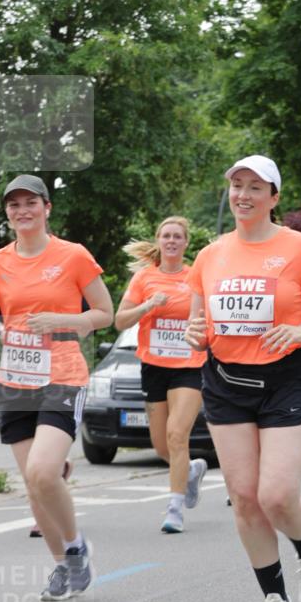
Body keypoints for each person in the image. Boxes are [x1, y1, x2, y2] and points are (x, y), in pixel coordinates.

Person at [185, 154, 301, 602]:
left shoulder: (300, 248)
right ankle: (276, 601)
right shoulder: (210, 255)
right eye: (237, 185)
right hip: (226, 382)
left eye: (256, 187)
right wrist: (195, 333)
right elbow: (198, 322)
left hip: (285, 379)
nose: (244, 195)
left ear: (274, 197)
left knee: (276, 495)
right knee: (244, 498)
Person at [0, 175, 114, 599]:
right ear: (7, 214)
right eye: (14, 205)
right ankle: (65, 564)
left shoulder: (73, 256)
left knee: (43, 472)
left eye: (30, 202)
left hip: (63, 375)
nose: (22, 210)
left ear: (47, 208)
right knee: (34, 486)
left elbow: (105, 312)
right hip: (16, 380)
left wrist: (64, 320)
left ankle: (75, 546)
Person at [115, 217, 208, 533]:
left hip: (189, 366)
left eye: (177, 236)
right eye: (166, 235)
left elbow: (208, 317)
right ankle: (190, 471)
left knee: (177, 434)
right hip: (154, 367)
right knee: (161, 446)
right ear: (158, 240)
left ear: (185, 242)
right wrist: (147, 306)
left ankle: (175, 509)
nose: (171, 241)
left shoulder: (196, 276)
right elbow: (120, 321)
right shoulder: (144, 278)